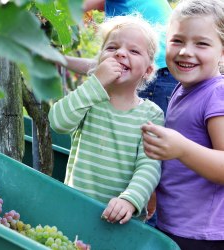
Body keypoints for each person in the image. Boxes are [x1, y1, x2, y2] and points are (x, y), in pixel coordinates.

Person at [49, 15, 164, 225]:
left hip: (121, 221)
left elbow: (149, 167)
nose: (120, 53)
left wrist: (130, 200)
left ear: (148, 71)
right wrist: (96, 83)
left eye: (134, 51)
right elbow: (58, 122)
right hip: (76, 209)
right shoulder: (90, 98)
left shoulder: (151, 114)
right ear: (99, 60)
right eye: (112, 48)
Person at [141, 0, 224, 249]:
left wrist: (183, 149)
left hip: (203, 235)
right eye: (177, 40)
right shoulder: (184, 88)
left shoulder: (217, 94)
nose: (186, 51)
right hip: (175, 225)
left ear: (222, 50)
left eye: (201, 43)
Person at [65, 0, 178, 115]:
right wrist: (58, 58)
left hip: (157, 78)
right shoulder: (127, 13)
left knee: (142, 130)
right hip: (167, 75)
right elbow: (102, 67)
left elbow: (71, 7)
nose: (92, 12)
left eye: (134, 51)